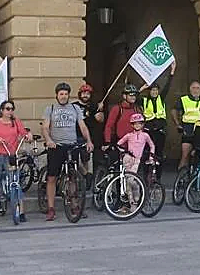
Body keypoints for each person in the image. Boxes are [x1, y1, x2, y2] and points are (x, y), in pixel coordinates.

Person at [42, 82, 94, 222]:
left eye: (66, 94)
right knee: (52, 177)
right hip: (56, 147)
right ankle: (51, 208)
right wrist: (48, 140)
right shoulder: (50, 108)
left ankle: (75, 206)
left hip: (71, 146)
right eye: (61, 94)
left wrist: (88, 140)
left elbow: (82, 126)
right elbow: (45, 127)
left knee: (73, 178)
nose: (63, 96)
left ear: (68, 95)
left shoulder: (75, 108)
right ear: (57, 95)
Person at [0, 100, 27, 223]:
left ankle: (21, 211)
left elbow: (23, 133)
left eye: (11, 109)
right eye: (7, 109)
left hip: (11, 155)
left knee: (16, 182)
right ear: (2, 110)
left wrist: (28, 135)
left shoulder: (16, 122)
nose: (10, 111)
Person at [174, 79, 200, 171]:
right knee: (185, 154)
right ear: (190, 89)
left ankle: (195, 177)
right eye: (193, 88)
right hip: (187, 128)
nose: (195, 90)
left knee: (198, 154)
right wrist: (177, 124)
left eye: (197, 88)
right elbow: (174, 110)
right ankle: (180, 178)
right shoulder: (183, 99)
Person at [138, 74, 171, 165]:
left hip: (160, 129)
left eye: (156, 90)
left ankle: (158, 177)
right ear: (149, 91)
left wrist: (171, 73)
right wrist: (142, 88)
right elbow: (134, 97)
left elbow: (167, 87)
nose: (154, 92)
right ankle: (145, 175)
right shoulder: (144, 100)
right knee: (147, 152)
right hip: (149, 129)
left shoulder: (161, 98)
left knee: (159, 153)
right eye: (152, 90)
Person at [76, 83, 104, 188]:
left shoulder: (94, 106)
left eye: (87, 93)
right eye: (83, 93)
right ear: (80, 94)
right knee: (74, 160)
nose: (85, 95)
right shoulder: (74, 106)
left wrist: (100, 109)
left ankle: (86, 181)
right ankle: (86, 175)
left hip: (89, 136)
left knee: (85, 159)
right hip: (75, 135)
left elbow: (100, 119)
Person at [105, 82, 141, 147]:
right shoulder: (117, 109)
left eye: (135, 95)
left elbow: (141, 126)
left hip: (134, 144)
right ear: (124, 96)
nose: (133, 97)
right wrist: (108, 142)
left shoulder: (137, 109)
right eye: (131, 95)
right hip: (120, 143)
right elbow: (109, 126)